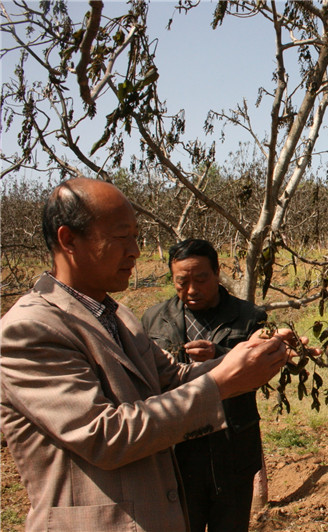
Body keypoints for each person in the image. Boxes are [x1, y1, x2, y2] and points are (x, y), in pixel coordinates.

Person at [0, 178, 300, 532]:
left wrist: (248, 354)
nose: (136, 251)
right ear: (69, 240)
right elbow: (104, 435)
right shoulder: (31, 329)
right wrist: (221, 381)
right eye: (121, 236)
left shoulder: (119, 317)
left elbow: (174, 377)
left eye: (135, 237)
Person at [141, 239, 266, 532]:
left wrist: (219, 356)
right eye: (181, 282)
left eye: (201, 279)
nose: (192, 290)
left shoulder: (249, 317)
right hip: (177, 454)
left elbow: (261, 373)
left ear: (217, 273)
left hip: (232, 448)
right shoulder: (153, 319)